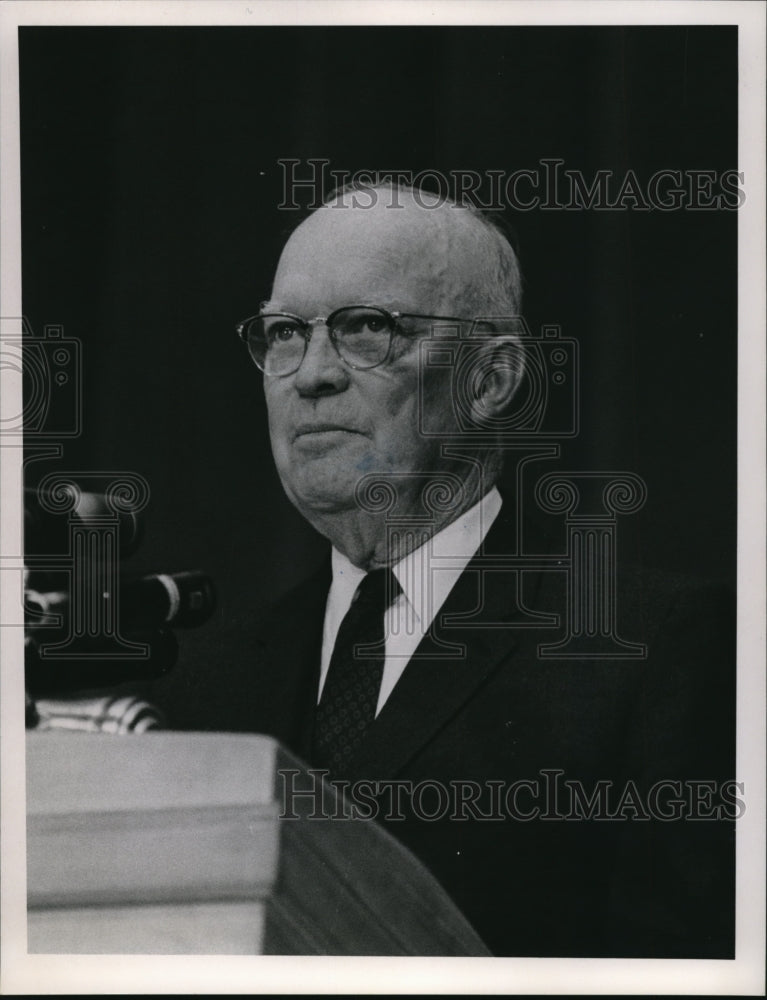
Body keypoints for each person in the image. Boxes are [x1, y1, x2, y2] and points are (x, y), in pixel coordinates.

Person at [154, 183, 735, 957]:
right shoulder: (201, 684)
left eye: (366, 328)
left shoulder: (650, 649)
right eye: (285, 332)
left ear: (490, 380)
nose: (310, 374)